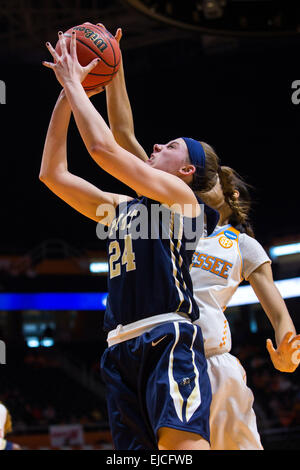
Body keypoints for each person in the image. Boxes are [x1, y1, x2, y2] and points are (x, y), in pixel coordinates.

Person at [102, 26, 300, 450]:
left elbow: (277, 308)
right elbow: (121, 135)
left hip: (211, 360)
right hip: (165, 354)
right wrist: (114, 67)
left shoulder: (238, 243)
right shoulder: (165, 211)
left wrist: (287, 345)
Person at [40, 29, 221, 450]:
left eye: (171, 145)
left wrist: (73, 82)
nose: (156, 144)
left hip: (167, 337)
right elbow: (53, 173)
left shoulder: (181, 200)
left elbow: (105, 148)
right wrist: (81, 87)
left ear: (187, 171)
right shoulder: (122, 206)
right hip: (119, 347)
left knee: (183, 454)